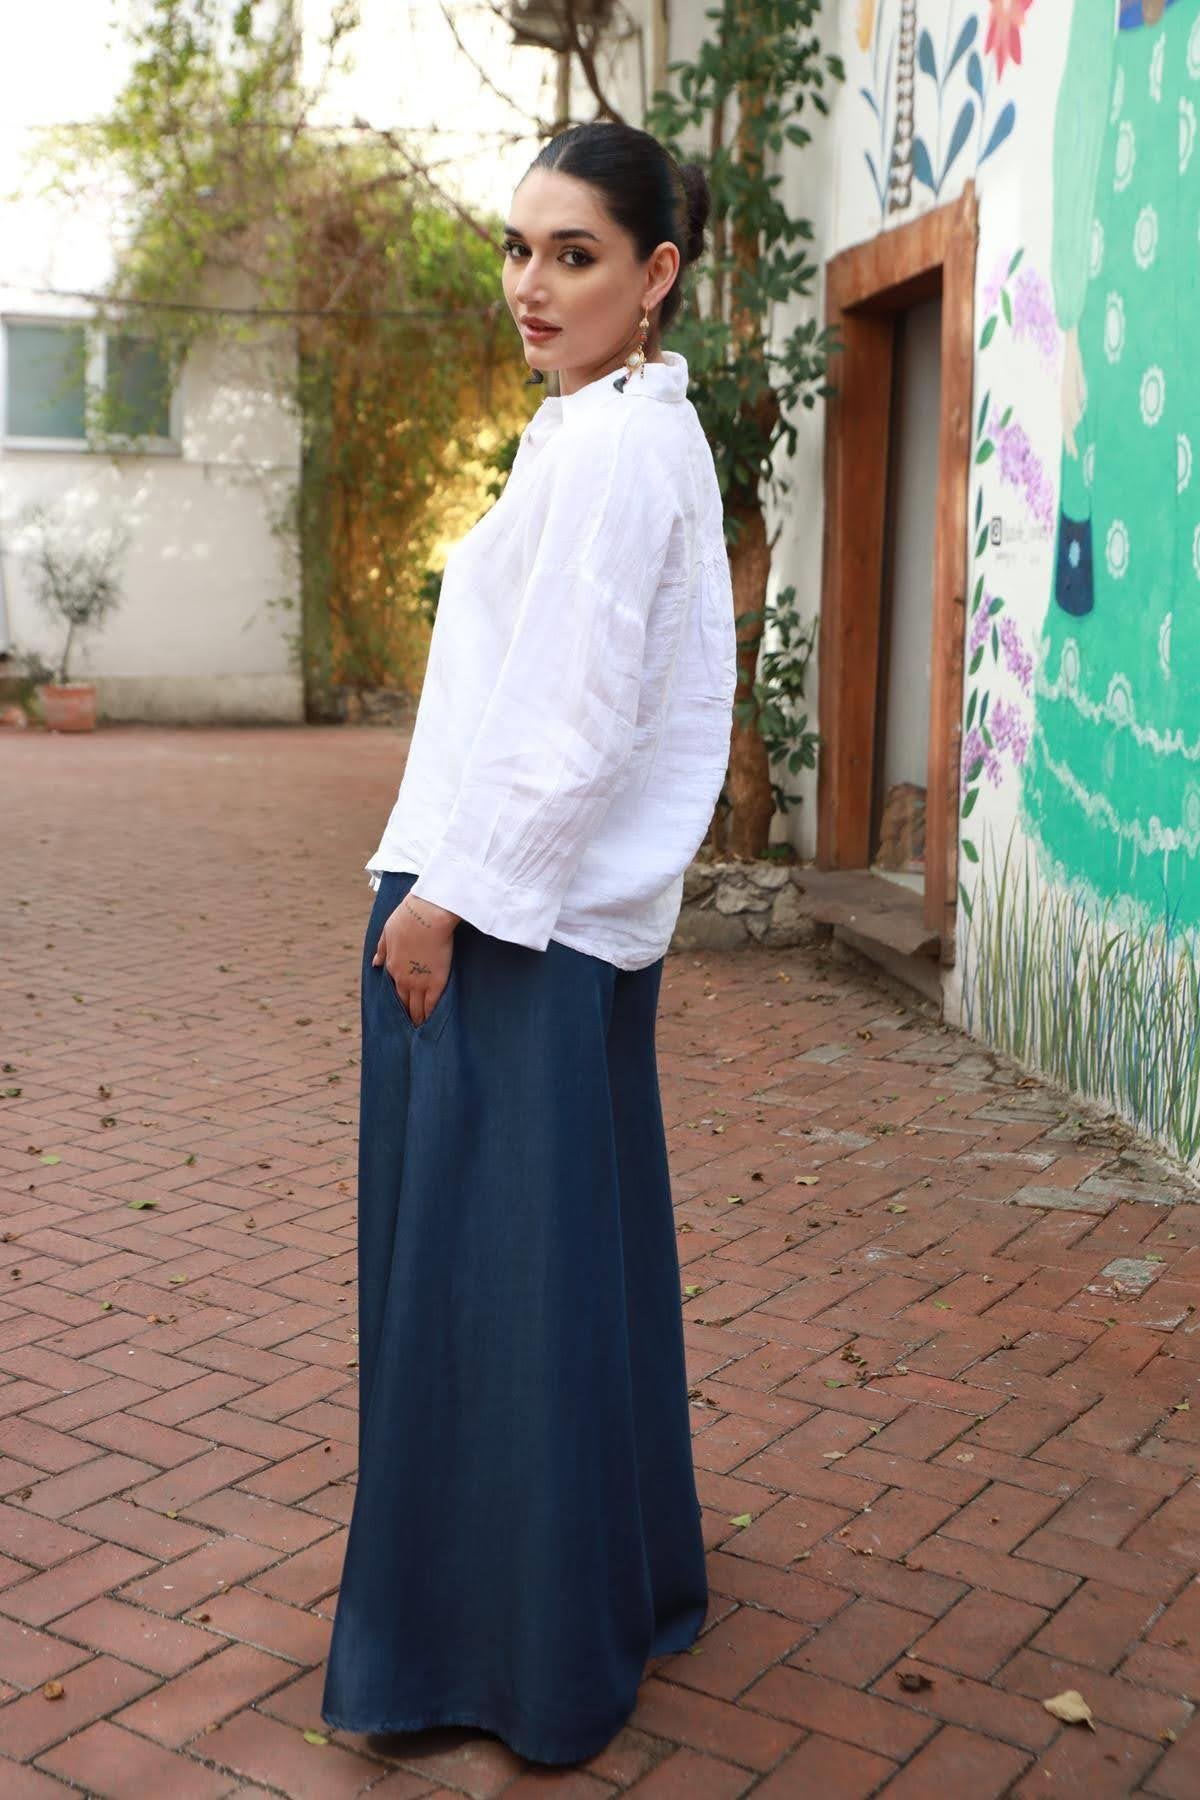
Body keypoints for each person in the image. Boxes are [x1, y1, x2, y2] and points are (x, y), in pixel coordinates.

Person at [320, 121, 737, 1767]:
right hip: (555, 915)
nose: (531, 284)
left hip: (508, 915)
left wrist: (444, 899)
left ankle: (494, 1657)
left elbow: (573, 718)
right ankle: (593, 1595)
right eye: (517, 248)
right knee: (569, 1272)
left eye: (575, 254)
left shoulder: (618, 449)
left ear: (657, 274)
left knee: (484, 1293)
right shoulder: (610, 425)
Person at [1023, 0, 1200, 928]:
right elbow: (1078, 131)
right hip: (1119, 318)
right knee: (1108, 564)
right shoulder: (1104, 22)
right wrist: (1072, 329)